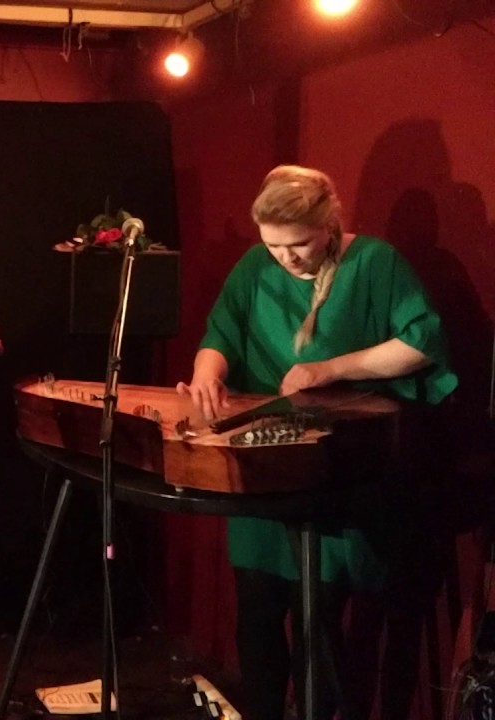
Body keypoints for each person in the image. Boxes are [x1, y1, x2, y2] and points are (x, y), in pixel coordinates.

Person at [177, 165, 457, 720]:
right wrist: (208, 372)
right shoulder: (256, 266)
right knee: (257, 614)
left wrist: (327, 368)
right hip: (264, 466)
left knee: (319, 621)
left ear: (329, 225)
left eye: (298, 243)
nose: (285, 257)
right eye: (273, 245)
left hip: (337, 472)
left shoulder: (376, 263)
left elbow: (422, 341)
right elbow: (220, 332)